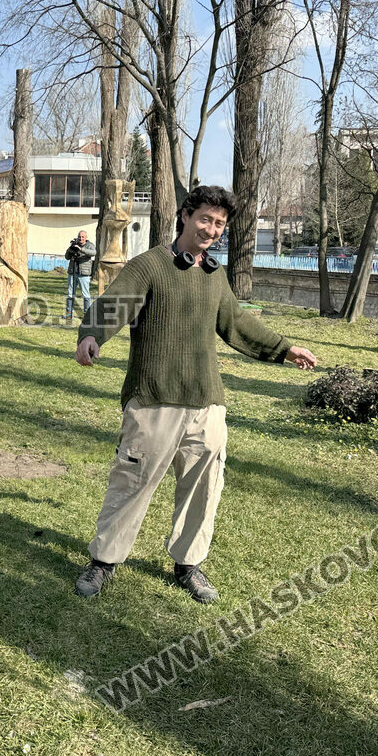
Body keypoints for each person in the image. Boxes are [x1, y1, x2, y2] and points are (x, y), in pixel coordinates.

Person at [72, 186, 317, 603]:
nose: (212, 229)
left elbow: (237, 323)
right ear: (185, 216)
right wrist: (92, 335)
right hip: (154, 398)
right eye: (205, 219)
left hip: (206, 402)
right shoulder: (150, 265)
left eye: (219, 224)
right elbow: (114, 303)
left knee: (205, 489)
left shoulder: (214, 275)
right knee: (132, 484)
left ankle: (188, 564)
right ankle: (104, 561)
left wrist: (284, 349)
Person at [63, 230, 96, 320]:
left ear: (86, 237)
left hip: (84, 274)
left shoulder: (90, 245)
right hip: (72, 272)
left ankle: (86, 315)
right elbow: (67, 257)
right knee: (70, 293)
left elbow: (93, 253)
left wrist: (81, 249)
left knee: (85, 294)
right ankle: (69, 313)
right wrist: (71, 249)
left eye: (82, 237)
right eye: (79, 237)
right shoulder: (75, 244)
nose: (81, 238)